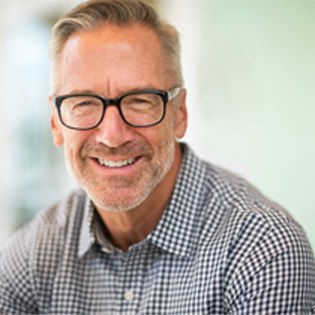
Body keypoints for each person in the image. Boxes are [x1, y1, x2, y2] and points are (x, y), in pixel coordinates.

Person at [1, 0, 314, 314]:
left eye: (139, 100)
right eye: (84, 103)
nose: (112, 135)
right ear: (55, 122)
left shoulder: (264, 248)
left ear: (179, 113)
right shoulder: (31, 257)